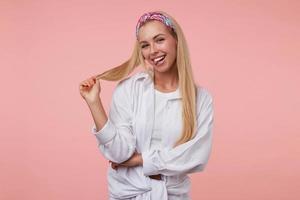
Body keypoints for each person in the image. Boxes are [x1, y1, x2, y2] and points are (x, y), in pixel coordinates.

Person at [79, 11, 214, 200]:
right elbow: (118, 154)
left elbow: (195, 156)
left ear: (176, 39)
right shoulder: (129, 89)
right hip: (127, 195)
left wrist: (138, 160)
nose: (152, 51)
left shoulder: (200, 98)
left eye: (159, 40)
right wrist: (94, 103)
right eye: (145, 45)